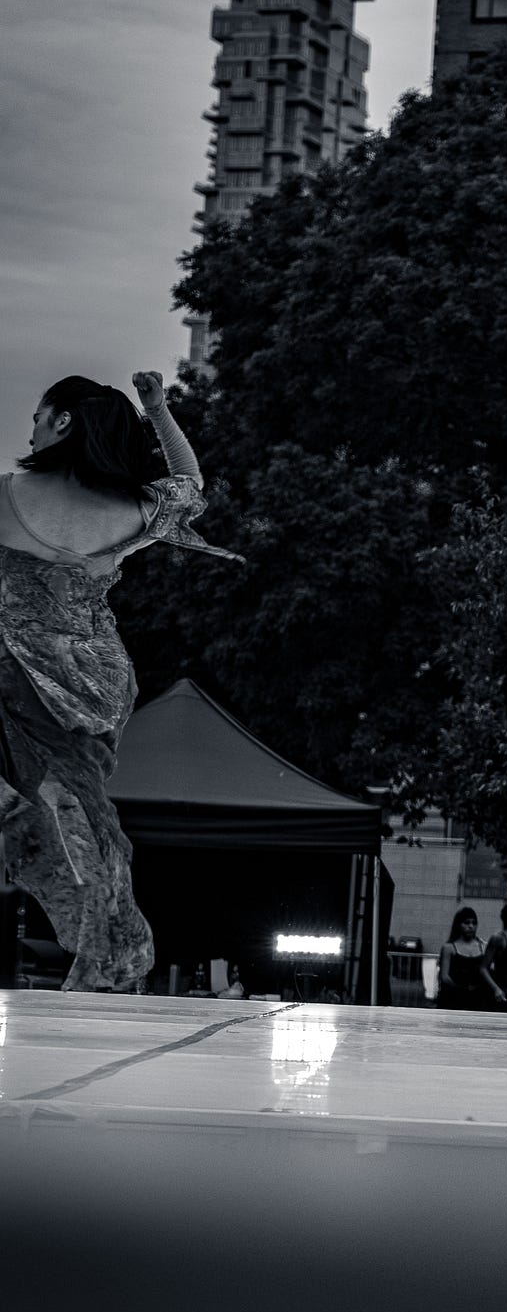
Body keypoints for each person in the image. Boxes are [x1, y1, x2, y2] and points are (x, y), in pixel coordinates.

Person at [0, 371, 239, 991]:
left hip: (19, 670)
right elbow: (189, 480)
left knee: (48, 806)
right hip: (93, 677)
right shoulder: (137, 508)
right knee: (76, 806)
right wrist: (159, 411)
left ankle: (98, 937)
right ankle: (107, 949)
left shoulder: (6, 496)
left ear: (62, 422)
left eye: (38, 414)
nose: (31, 426)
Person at [437, 905, 503, 1011]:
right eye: (466, 923)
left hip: (478, 999)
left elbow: (489, 969)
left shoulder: (482, 946)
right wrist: (462, 990)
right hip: (455, 998)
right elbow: (445, 977)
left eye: (474, 923)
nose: (471, 926)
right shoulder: (449, 947)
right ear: (459, 925)